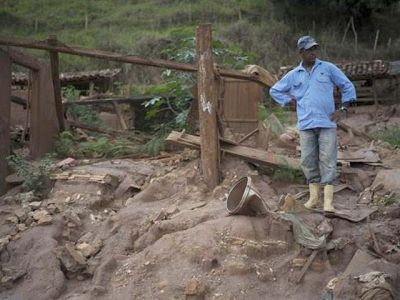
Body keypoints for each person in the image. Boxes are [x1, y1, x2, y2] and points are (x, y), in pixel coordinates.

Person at [269, 36, 356, 212]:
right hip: (306, 124)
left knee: (328, 160)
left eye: (315, 49)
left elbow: (347, 86)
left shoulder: (328, 68)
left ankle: (328, 202)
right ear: (301, 52)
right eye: (309, 50)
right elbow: (275, 90)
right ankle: (314, 198)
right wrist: (287, 102)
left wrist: (344, 108)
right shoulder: (294, 74)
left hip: (327, 122)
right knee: (308, 161)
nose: (313, 52)